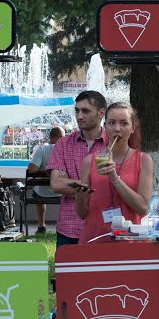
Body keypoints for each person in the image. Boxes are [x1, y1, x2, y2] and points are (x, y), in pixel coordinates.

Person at [72, 101, 152, 319]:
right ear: (104, 129)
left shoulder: (142, 161)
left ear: (133, 129)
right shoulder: (91, 160)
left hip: (127, 249)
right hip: (92, 247)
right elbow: (81, 212)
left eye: (123, 123)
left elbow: (142, 206)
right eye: (112, 123)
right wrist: (81, 190)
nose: (117, 129)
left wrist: (116, 180)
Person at [48, 90, 109, 246]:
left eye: (85, 111)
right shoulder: (63, 144)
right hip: (69, 228)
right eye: (77, 110)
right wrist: (96, 185)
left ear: (101, 113)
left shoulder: (112, 144)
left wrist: (71, 183)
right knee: (66, 271)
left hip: (104, 228)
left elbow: (114, 187)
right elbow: (56, 184)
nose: (79, 116)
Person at [27, 127, 63, 235]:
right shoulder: (66, 150)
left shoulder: (42, 149)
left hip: (42, 193)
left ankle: (41, 225)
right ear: (60, 137)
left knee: (37, 190)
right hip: (62, 192)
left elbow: (32, 169)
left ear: (50, 137)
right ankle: (62, 225)